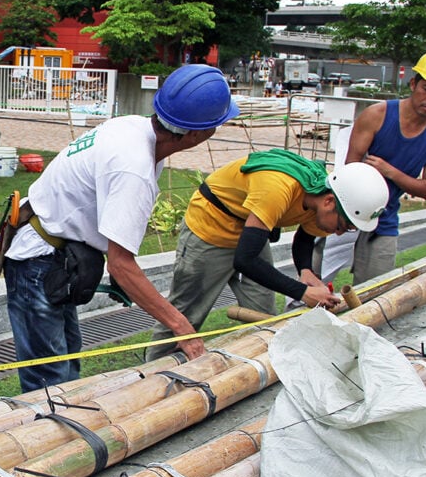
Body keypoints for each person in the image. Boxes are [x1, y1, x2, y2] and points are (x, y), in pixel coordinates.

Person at [1, 65, 237, 392]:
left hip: (55, 254)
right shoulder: (135, 167)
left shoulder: (132, 127)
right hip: (38, 261)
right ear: (197, 134)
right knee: (49, 385)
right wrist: (183, 328)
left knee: (66, 373)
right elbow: (122, 266)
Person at [144, 153, 389, 361]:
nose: (339, 232)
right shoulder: (278, 188)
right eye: (343, 225)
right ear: (328, 202)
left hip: (251, 231)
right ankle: (150, 373)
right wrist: (302, 292)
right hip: (210, 230)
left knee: (264, 314)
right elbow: (245, 260)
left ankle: (259, 368)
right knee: (185, 313)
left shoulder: (319, 194)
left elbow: (304, 237)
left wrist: (306, 272)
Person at [344, 49, 426, 283]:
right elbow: (349, 167)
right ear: (413, 84)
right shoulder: (377, 115)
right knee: (312, 282)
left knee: (375, 291)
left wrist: (390, 172)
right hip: (343, 210)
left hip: (384, 219)